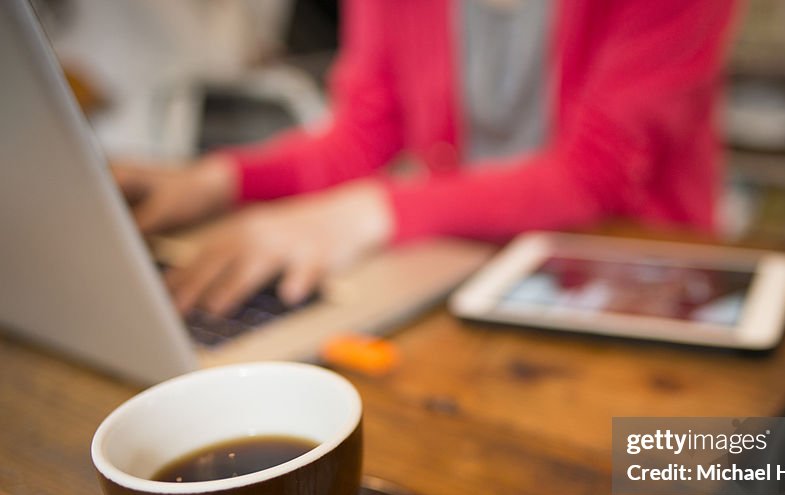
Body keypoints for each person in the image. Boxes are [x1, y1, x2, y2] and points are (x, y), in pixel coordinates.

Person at [115, 0, 737, 316]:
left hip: (639, 275)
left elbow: (595, 175)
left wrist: (358, 215)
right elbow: (361, 135)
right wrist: (220, 180)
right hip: (469, 266)